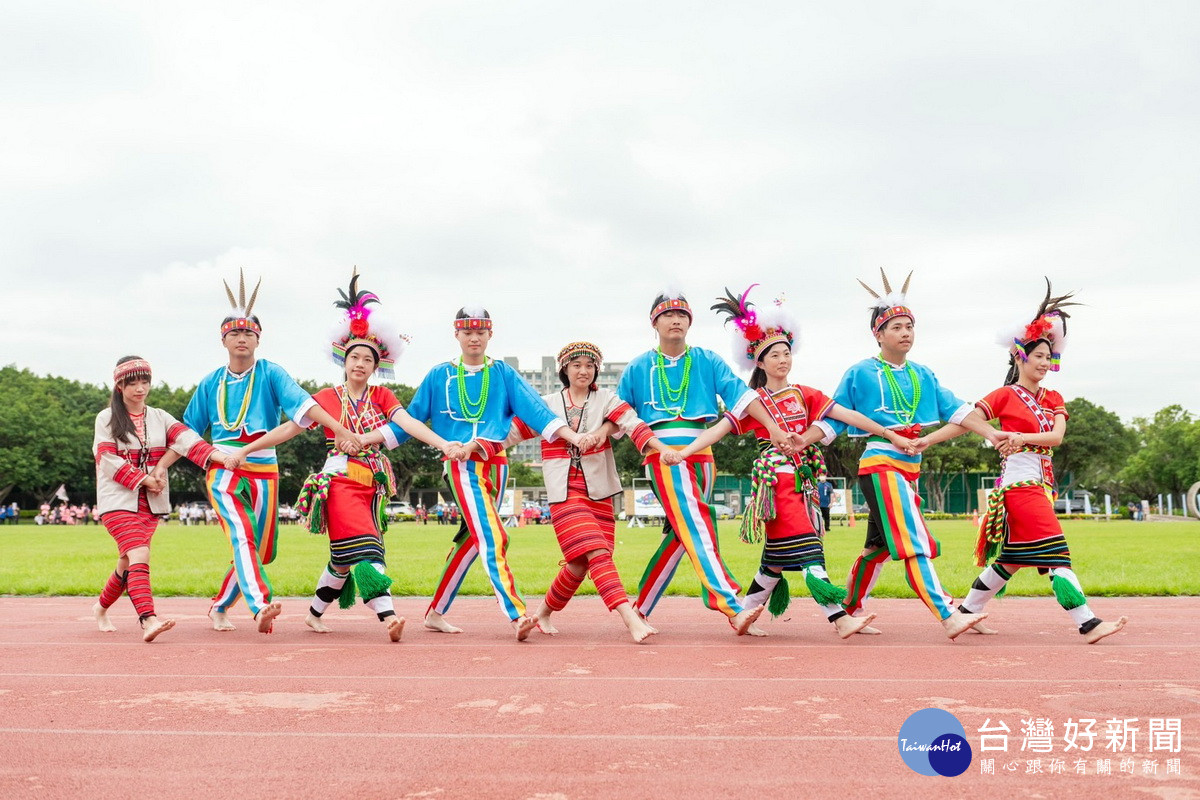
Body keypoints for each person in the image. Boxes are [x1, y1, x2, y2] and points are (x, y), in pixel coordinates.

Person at [673, 286, 914, 637]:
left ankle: (744, 614)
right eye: (774, 355)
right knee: (810, 551)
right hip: (776, 483)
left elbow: (848, 414)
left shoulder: (805, 394)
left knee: (774, 563)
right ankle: (840, 618)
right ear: (760, 361)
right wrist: (683, 452)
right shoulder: (752, 401)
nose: (783, 359)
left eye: (786, 352)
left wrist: (890, 434)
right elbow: (717, 430)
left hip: (805, 484)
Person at [231, 271, 458, 642]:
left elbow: (405, 424)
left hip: (372, 486)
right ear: (344, 360)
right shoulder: (326, 397)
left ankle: (314, 614)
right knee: (367, 550)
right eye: (354, 356)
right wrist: (248, 448)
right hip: (336, 483)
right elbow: (289, 429)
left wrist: (442, 444)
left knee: (342, 559)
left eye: (368, 359)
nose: (360, 363)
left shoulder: (383, 398)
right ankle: (389, 618)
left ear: (375, 365)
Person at [927, 280, 1127, 643]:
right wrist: (926, 440)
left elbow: (1056, 438)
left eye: (1049, 357)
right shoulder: (1004, 395)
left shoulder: (1054, 397)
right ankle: (1088, 622)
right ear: (1021, 356)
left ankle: (967, 612)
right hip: (1018, 487)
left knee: (1011, 560)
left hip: (1040, 485)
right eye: (1038, 356)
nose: (1045, 363)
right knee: (1056, 553)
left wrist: (1020, 438)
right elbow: (964, 420)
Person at [382, 305, 588, 640]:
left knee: (474, 540)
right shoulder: (439, 375)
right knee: (494, 536)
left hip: (498, 462)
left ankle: (435, 612)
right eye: (467, 332)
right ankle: (517, 613)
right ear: (457, 334)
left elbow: (534, 409)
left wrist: (572, 436)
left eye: (480, 332)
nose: (474, 338)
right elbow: (410, 419)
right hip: (461, 464)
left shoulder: (504, 373)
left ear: (490, 334)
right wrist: (370, 439)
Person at [826, 270, 1005, 639]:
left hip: (910, 467)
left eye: (909, 325)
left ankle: (848, 612)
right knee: (912, 541)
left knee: (879, 547)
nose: (906, 332)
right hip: (880, 463)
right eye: (896, 326)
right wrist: (799, 439)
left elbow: (958, 411)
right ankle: (948, 613)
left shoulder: (923, 374)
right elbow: (834, 417)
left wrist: (992, 434)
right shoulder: (860, 372)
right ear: (878, 333)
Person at [183, 270, 362, 634]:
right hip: (224, 468)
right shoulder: (209, 383)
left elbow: (305, 407)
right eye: (234, 332)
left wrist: (340, 427)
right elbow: (185, 433)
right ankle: (261, 604)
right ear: (223, 339)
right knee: (242, 535)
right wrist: (171, 465)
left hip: (265, 469)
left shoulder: (271, 373)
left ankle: (219, 606)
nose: (242, 337)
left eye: (249, 332)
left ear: (259, 338)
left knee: (263, 551)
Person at [618, 288, 797, 635]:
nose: (676, 320)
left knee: (685, 532)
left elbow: (743, 398)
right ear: (654, 322)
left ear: (689, 322)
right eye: (668, 315)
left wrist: (773, 427)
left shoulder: (707, 360)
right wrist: (590, 433)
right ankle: (732, 605)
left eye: (682, 315)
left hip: (703, 455)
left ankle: (639, 609)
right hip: (664, 456)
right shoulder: (639, 366)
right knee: (699, 523)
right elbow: (620, 413)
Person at [495, 341, 671, 643]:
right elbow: (509, 434)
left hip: (601, 492)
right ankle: (630, 619)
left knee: (580, 563)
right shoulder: (546, 403)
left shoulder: (606, 399)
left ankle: (542, 614)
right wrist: (474, 446)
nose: (584, 371)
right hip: (564, 494)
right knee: (597, 551)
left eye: (590, 366)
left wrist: (662, 448)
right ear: (564, 369)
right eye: (576, 365)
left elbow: (633, 424)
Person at [92, 356, 228, 641]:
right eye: (132, 383)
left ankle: (101, 608)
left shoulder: (159, 416)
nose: (140, 388)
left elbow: (187, 440)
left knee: (127, 563)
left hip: (149, 502)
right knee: (140, 553)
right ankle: (148, 619)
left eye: (145, 381)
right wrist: (144, 478)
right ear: (119, 386)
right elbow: (106, 458)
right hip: (117, 499)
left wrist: (220, 457)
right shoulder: (106, 418)